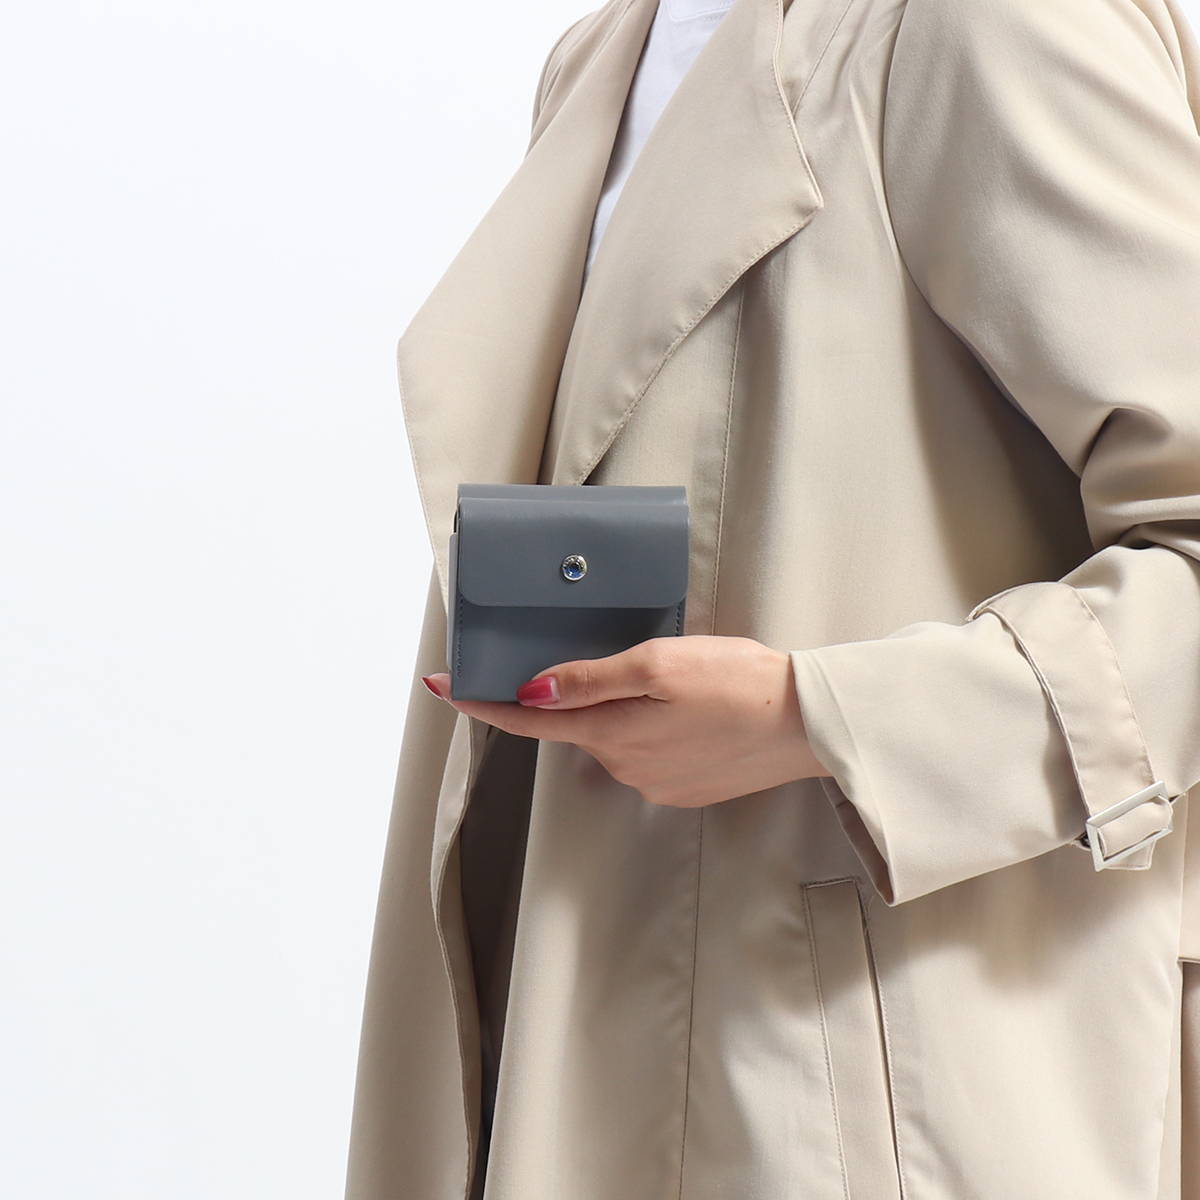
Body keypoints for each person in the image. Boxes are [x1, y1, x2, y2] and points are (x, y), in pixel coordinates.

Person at [345, 0, 1200, 1196]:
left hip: (877, 1084)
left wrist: (820, 718)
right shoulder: (605, 57)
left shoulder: (986, 23)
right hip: (579, 1021)